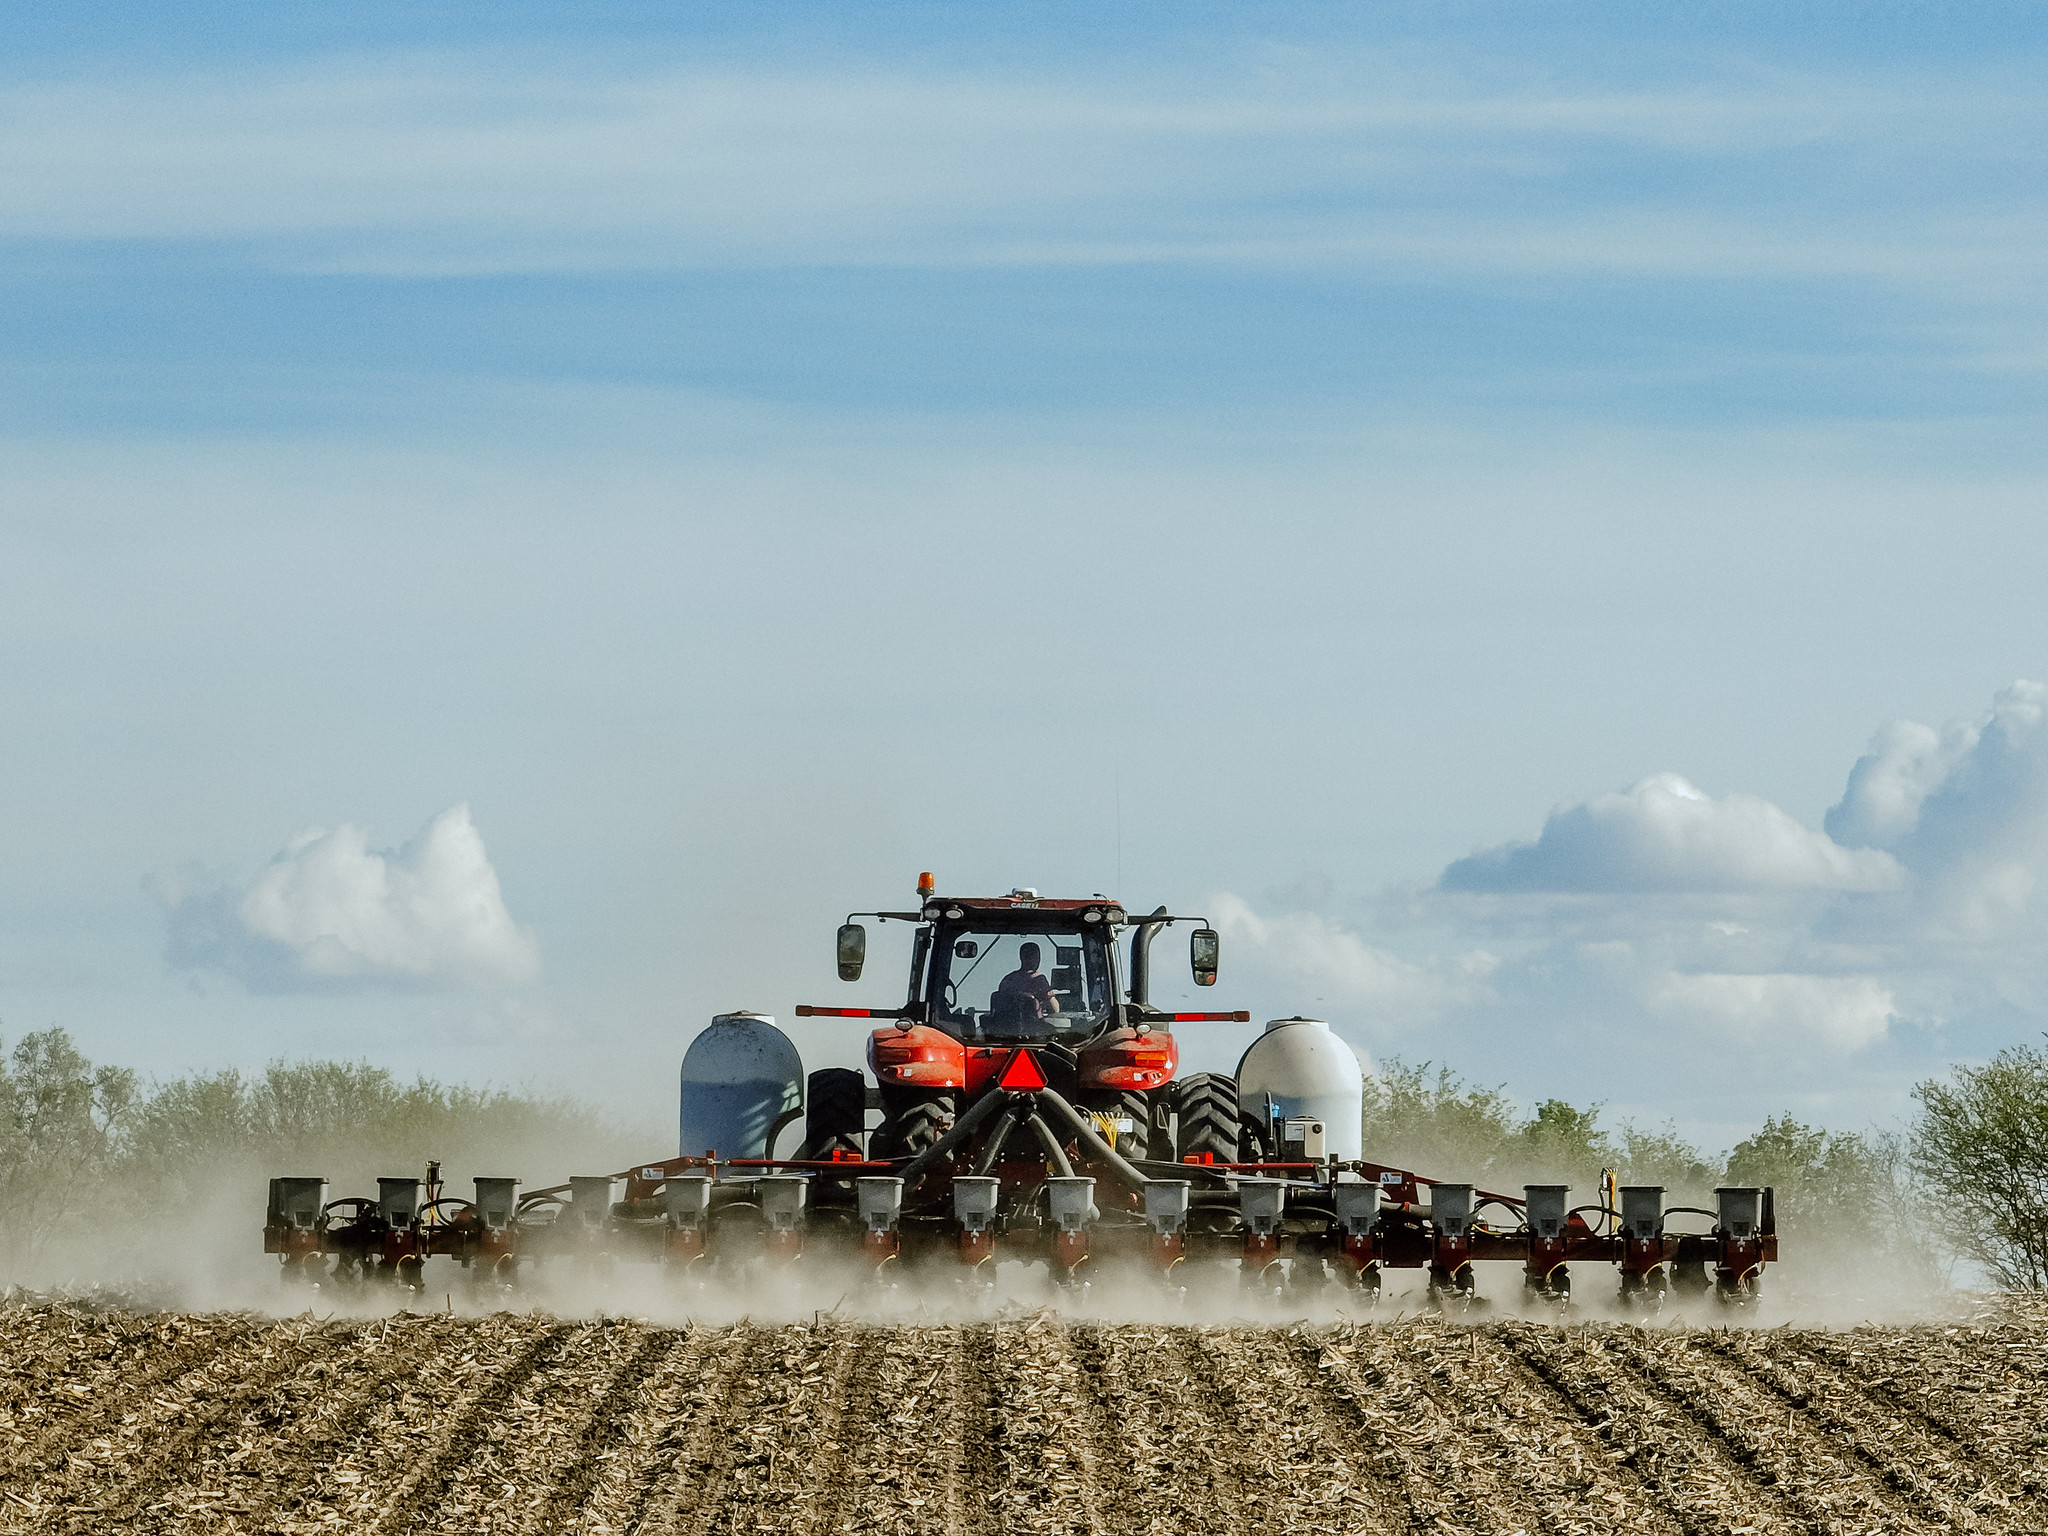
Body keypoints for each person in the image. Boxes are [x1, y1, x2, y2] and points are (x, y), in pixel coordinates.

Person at [994, 942, 1060, 1020]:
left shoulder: (1007, 980)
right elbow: (1055, 1010)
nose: (1038, 960)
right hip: (1033, 1028)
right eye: (1036, 957)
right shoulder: (1039, 979)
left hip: (1006, 1028)